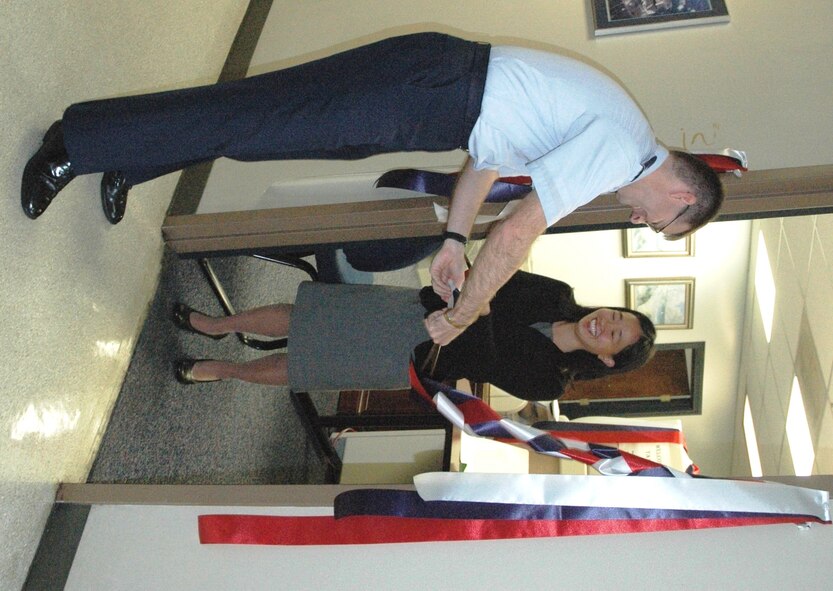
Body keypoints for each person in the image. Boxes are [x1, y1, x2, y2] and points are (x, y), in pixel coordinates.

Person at [21, 32, 721, 346]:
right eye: (659, 223)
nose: (641, 219)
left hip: (433, 96)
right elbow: (517, 232)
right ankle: (77, 142)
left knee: (267, 127)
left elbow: (485, 159)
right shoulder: (624, 151)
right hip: (431, 87)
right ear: (682, 197)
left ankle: (130, 159)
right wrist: (468, 309)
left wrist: (451, 238)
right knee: (260, 118)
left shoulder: (619, 137)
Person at [171, 270, 656, 402]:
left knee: (308, 365)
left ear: (609, 359)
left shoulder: (552, 381)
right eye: (615, 316)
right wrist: (476, 300)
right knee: (307, 317)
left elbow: (486, 365)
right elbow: (496, 277)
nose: (604, 324)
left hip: (417, 358)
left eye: (614, 336)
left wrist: (479, 309)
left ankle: (224, 371)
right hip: (416, 311)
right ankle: (218, 326)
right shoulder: (558, 293)